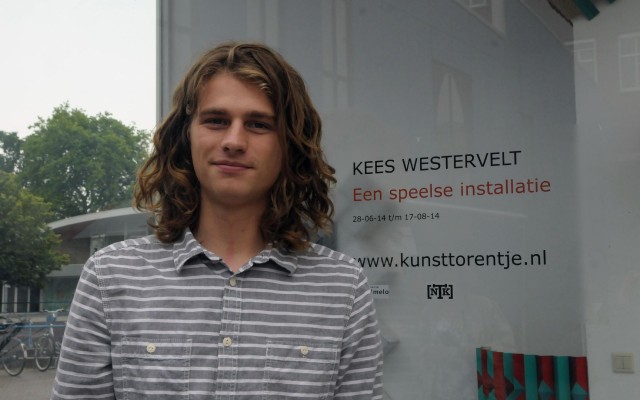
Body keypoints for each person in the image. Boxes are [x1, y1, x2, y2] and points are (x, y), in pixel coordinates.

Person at [51, 42, 383, 399]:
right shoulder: (109, 278)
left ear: (289, 145)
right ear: (186, 136)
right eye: (216, 121)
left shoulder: (343, 288)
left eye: (258, 124)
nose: (234, 141)